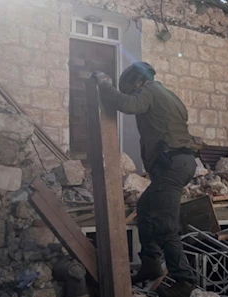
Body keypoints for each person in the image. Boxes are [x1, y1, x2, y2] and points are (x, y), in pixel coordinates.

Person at [92, 62, 197, 297]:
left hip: (172, 164)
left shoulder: (148, 91)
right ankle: (150, 263)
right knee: (145, 206)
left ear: (136, 81)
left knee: (166, 225)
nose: (132, 92)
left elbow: (127, 105)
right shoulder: (169, 95)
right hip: (180, 162)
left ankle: (184, 282)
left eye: (131, 88)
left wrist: (105, 86)